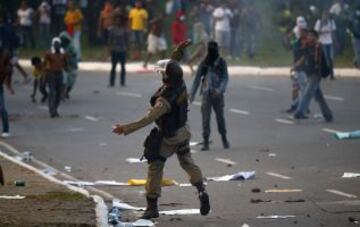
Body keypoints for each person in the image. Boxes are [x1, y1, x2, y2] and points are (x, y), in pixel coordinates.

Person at [112, 40, 210, 219]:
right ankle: (202, 191)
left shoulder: (163, 101)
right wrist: (178, 51)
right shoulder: (180, 84)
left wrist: (125, 128)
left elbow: (148, 119)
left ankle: (152, 207)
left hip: (169, 137)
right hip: (183, 132)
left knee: (155, 165)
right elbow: (173, 67)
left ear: (166, 78)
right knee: (188, 163)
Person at [190, 41, 230, 151]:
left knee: (220, 118)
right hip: (206, 95)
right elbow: (197, 80)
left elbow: (225, 78)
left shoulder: (221, 62)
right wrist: (192, 95)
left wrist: (220, 90)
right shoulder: (204, 64)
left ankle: (224, 138)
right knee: (205, 119)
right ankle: (206, 142)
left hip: (218, 95)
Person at [293, 30, 333, 122]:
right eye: (309, 35)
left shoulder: (318, 46)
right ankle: (328, 115)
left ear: (316, 37)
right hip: (309, 73)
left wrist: (321, 71)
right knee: (319, 97)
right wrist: (295, 66)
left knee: (307, 93)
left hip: (315, 74)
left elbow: (319, 60)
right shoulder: (307, 47)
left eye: (312, 36)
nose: (309, 37)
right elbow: (304, 58)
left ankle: (299, 112)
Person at [284, 28, 309, 114]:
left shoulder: (307, 43)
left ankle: (304, 107)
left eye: (303, 32)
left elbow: (304, 57)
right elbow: (288, 47)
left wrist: (294, 66)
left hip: (303, 69)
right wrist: (287, 38)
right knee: (295, 88)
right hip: (296, 68)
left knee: (303, 89)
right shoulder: (297, 42)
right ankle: (295, 105)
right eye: (300, 32)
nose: (301, 33)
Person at [44, 37, 68, 118]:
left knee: (58, 94)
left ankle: (55, 109)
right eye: (55, 44)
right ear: (53, 44)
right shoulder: (48, 53)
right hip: (51, 74)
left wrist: (67, 70)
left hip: (60, 74)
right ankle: (52, 110)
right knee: (52, 93)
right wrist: (44, 75)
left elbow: (65, 64)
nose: (57, 45)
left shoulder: (63, 53)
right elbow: (44, 65)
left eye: (58, 43)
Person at [314, 10, 336, 79]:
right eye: (324, 15)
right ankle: (323, 73)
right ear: (322, 15)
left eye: (327, 15)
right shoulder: (319, 22)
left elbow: (333, 32)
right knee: (325, 59)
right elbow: (316, 33)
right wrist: (322, 25)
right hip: (322, 42)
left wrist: (335, 41)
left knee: (331, 58)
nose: (325, 16)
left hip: (330, 42)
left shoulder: (331, 22)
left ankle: (331, 73)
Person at [108, 16, 128, 87]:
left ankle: (122, 82)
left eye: (119, 21)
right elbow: (109, 40)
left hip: (122, 50)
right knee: (113, 67)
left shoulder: (124, 30)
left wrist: (127, 49)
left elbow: (126, 40)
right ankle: (111, 82)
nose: (118, 22)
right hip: (114, 49)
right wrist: (109, 51)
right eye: (117, 21)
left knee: (123, 67)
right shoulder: (112, 29)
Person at [0, 48, 15, 138]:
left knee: (2, 109)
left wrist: (9, 88)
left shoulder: (9, 69)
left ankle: (6, 129)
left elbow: (8, 80)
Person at [59, 31, 78, 99]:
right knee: (63, 80)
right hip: (62, 65)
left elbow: (74, 54)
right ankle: (61, 93)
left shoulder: (71, 45)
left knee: (71, 82)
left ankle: (66, 92)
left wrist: (67, 55)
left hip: (71, 65)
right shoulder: (57, 46)